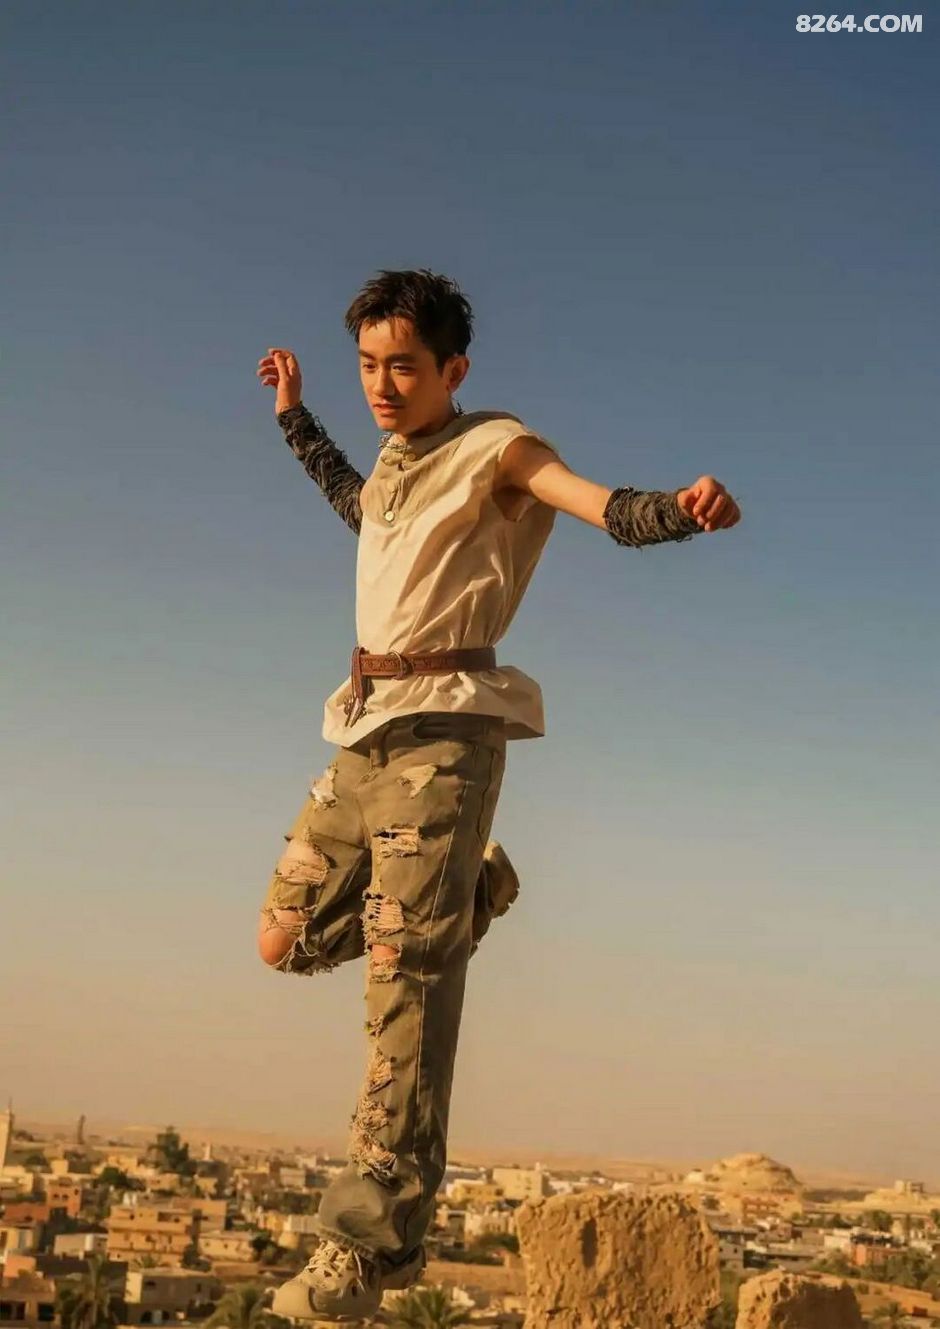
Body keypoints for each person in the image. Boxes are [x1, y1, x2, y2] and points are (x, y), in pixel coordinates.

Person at [254, 269, 741, 1321]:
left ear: (454, 369)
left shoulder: (499, 448)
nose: (383, 386)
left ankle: (367, 1248)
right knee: (283, 938)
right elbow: (350, 501)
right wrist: (296, 415)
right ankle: (464, 887)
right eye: (368, 366)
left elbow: (601, 505)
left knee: (403, 984)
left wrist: (680, 512)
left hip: (446, 734)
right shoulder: (392, 467)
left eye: (405, 367)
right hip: (363, 726)